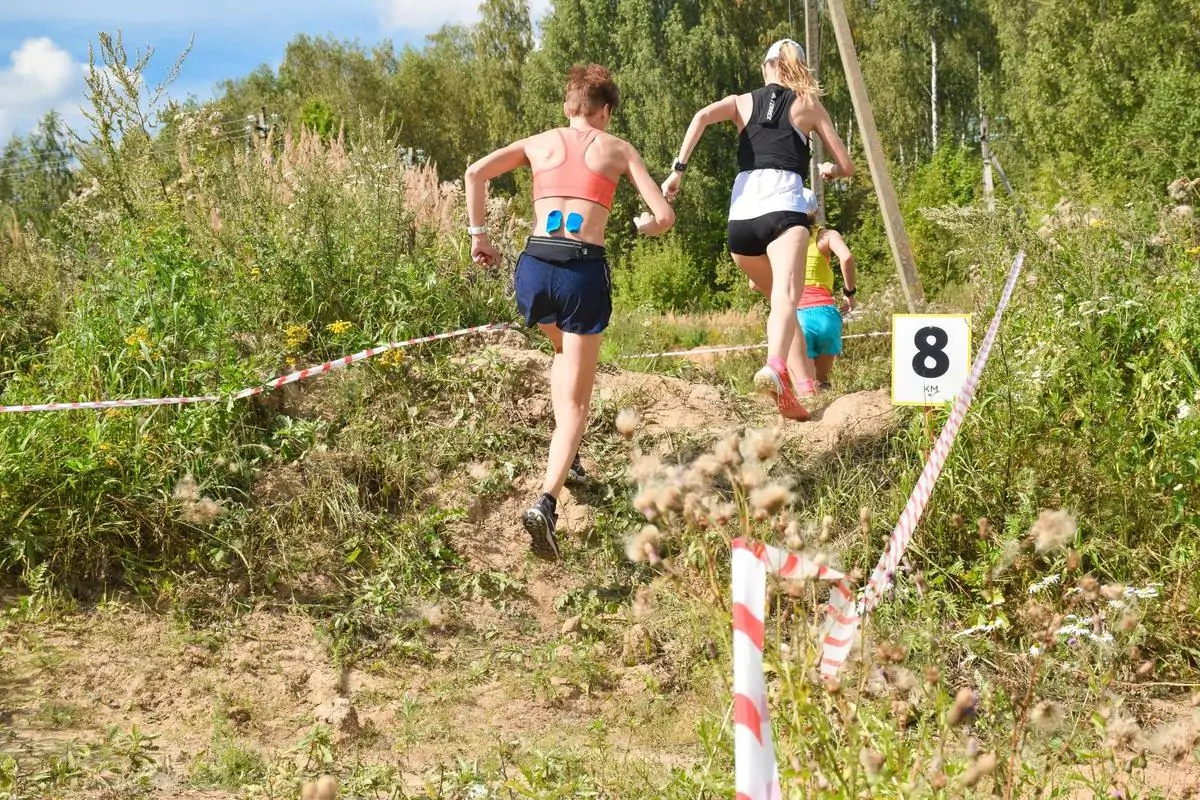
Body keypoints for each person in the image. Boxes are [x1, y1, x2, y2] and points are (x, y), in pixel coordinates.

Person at [465, 64, 675, 561]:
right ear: (606, 111)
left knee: (562, 351)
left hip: (534, 268)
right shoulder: (618, 149)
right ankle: (546, 502)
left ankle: (570, 455)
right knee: (578, 402)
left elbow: (475, 173)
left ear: (568, 106)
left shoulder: (539, 142)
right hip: (581, 270)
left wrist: (480, 237)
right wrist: (646, 226)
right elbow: (664, 216)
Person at [662, 38, 853, 420]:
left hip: (742, 224)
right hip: (784, 213)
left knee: (783, 308)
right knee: (787, 297)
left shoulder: (740, 101)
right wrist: (831, 171)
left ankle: (798, 389)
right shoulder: (808, 105)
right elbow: (846, 165)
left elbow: (700, 116)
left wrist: (677, 171)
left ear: (766, 67)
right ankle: (775, 366)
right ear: (797, 68)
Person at [749, 223, 857, 392]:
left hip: (796, 319)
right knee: (821, 383)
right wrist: (849, 293)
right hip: (826, 315)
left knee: (805, 387)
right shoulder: (827, 235)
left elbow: (753, 284)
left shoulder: (778, 243)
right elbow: (847, 258)